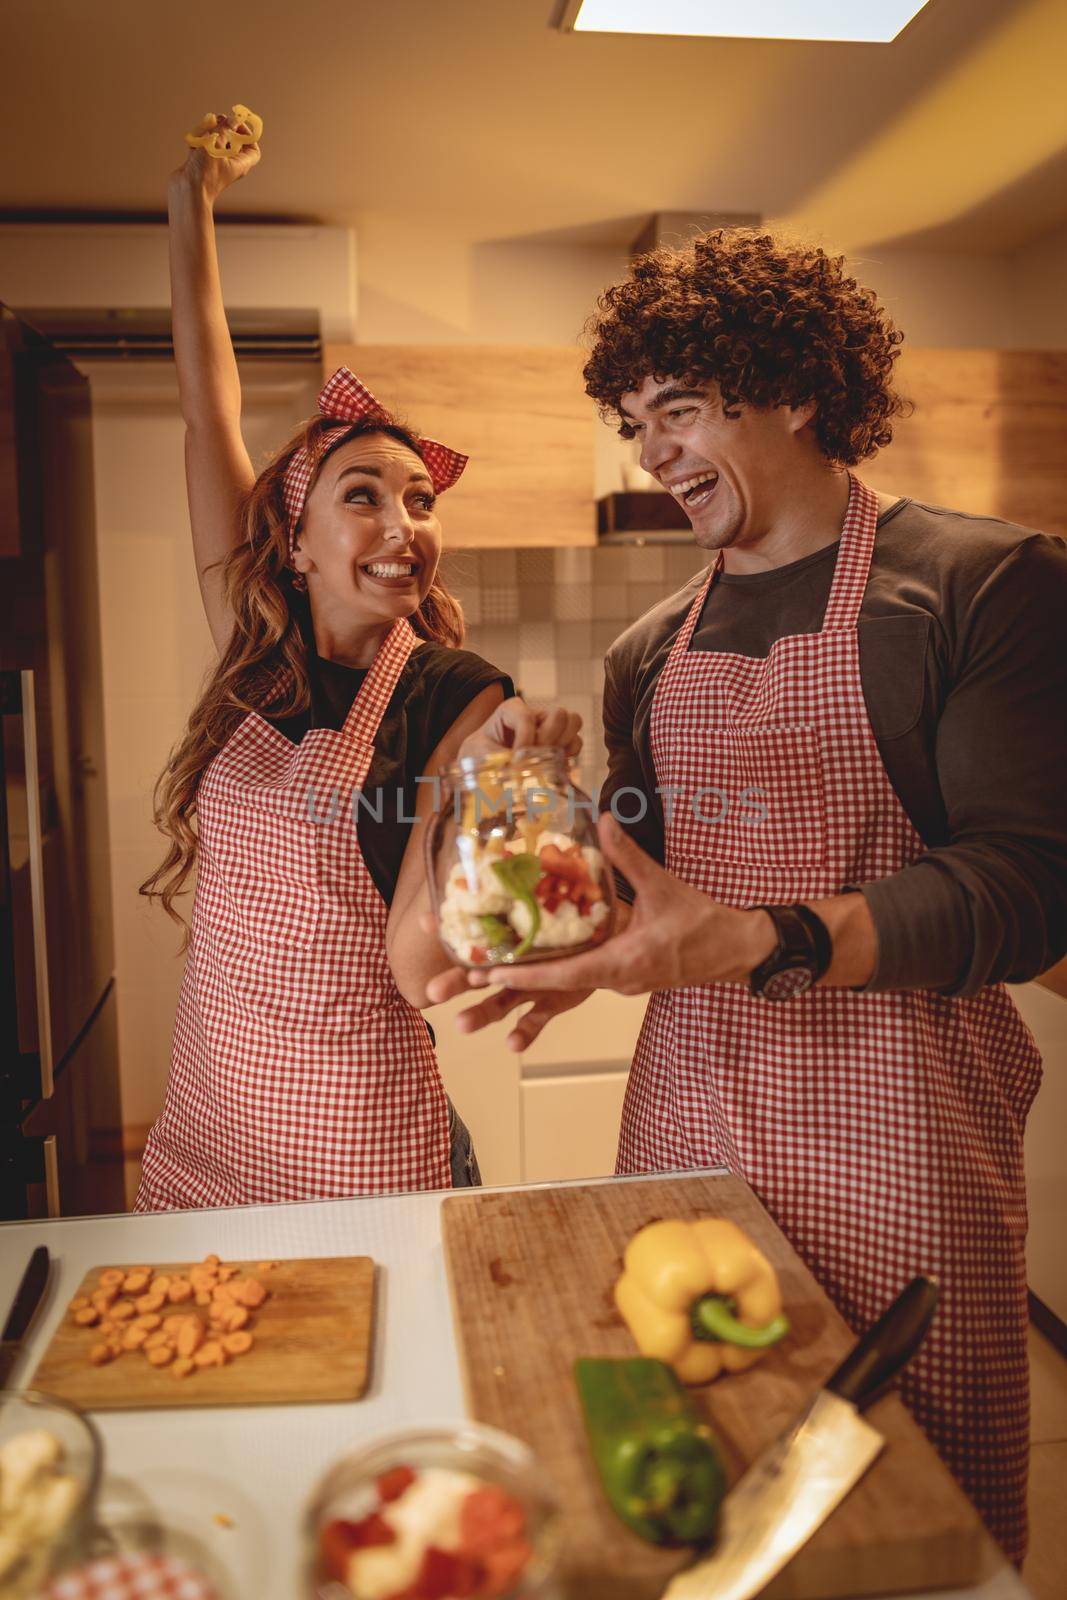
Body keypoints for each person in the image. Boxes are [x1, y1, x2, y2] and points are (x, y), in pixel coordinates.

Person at [430, 229, 1067, 1560]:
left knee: (909, 1503)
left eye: (677, 411)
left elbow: (1027, 885)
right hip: (686, 1115)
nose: (649, 451)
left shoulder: (978, 584)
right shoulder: (644, 650)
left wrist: (759, 934)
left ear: (790, 390)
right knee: (698, 1472)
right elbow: (647, 890)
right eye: (633, 422)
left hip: (904, 1120)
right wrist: (537, 832)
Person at [135, 125, 579, 1209]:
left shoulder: (455, 694)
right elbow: (208, 409)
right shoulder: (251, 665)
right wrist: (191, 199)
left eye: (420, 500)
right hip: (208, 1117)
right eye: (365, 494)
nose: (404, 522)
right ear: (292, 543)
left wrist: (508, 799)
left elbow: (423, 968)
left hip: (357, 1144)